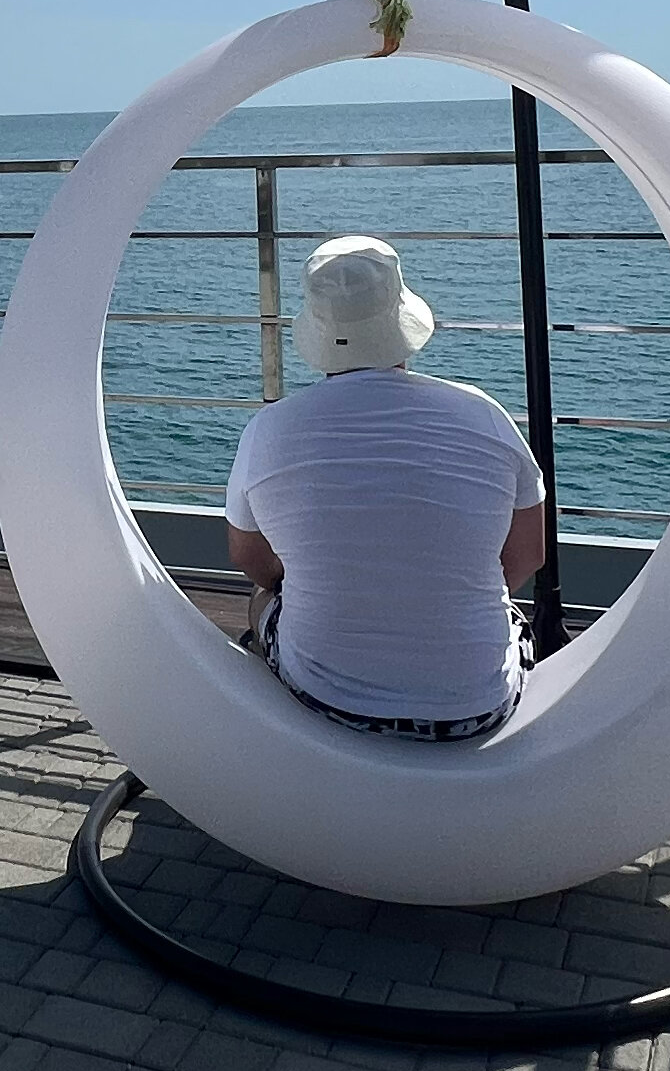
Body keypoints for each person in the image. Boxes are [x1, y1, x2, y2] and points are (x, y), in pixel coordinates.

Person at [224, 234, 548, 744]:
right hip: (477, 706)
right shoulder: (484, 415)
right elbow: (529, 555)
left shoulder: (270, 429)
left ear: (318, 331)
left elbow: (252, 560)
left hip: (328, 700)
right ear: (401, 323)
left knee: (262, 599)